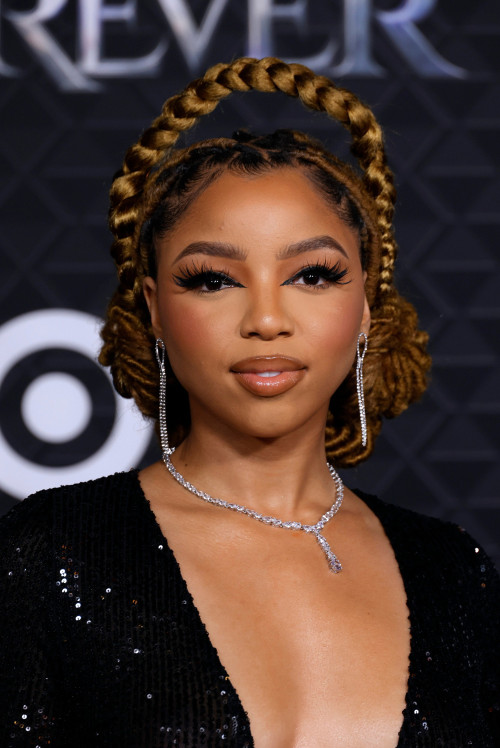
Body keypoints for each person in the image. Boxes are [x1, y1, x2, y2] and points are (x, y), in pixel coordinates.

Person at [0, 57, 498, 748]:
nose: (266, 319)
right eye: (213, 281)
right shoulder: (48, 553)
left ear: (365, 305)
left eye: (312, 275)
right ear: (154, 310)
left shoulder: (452, 571)